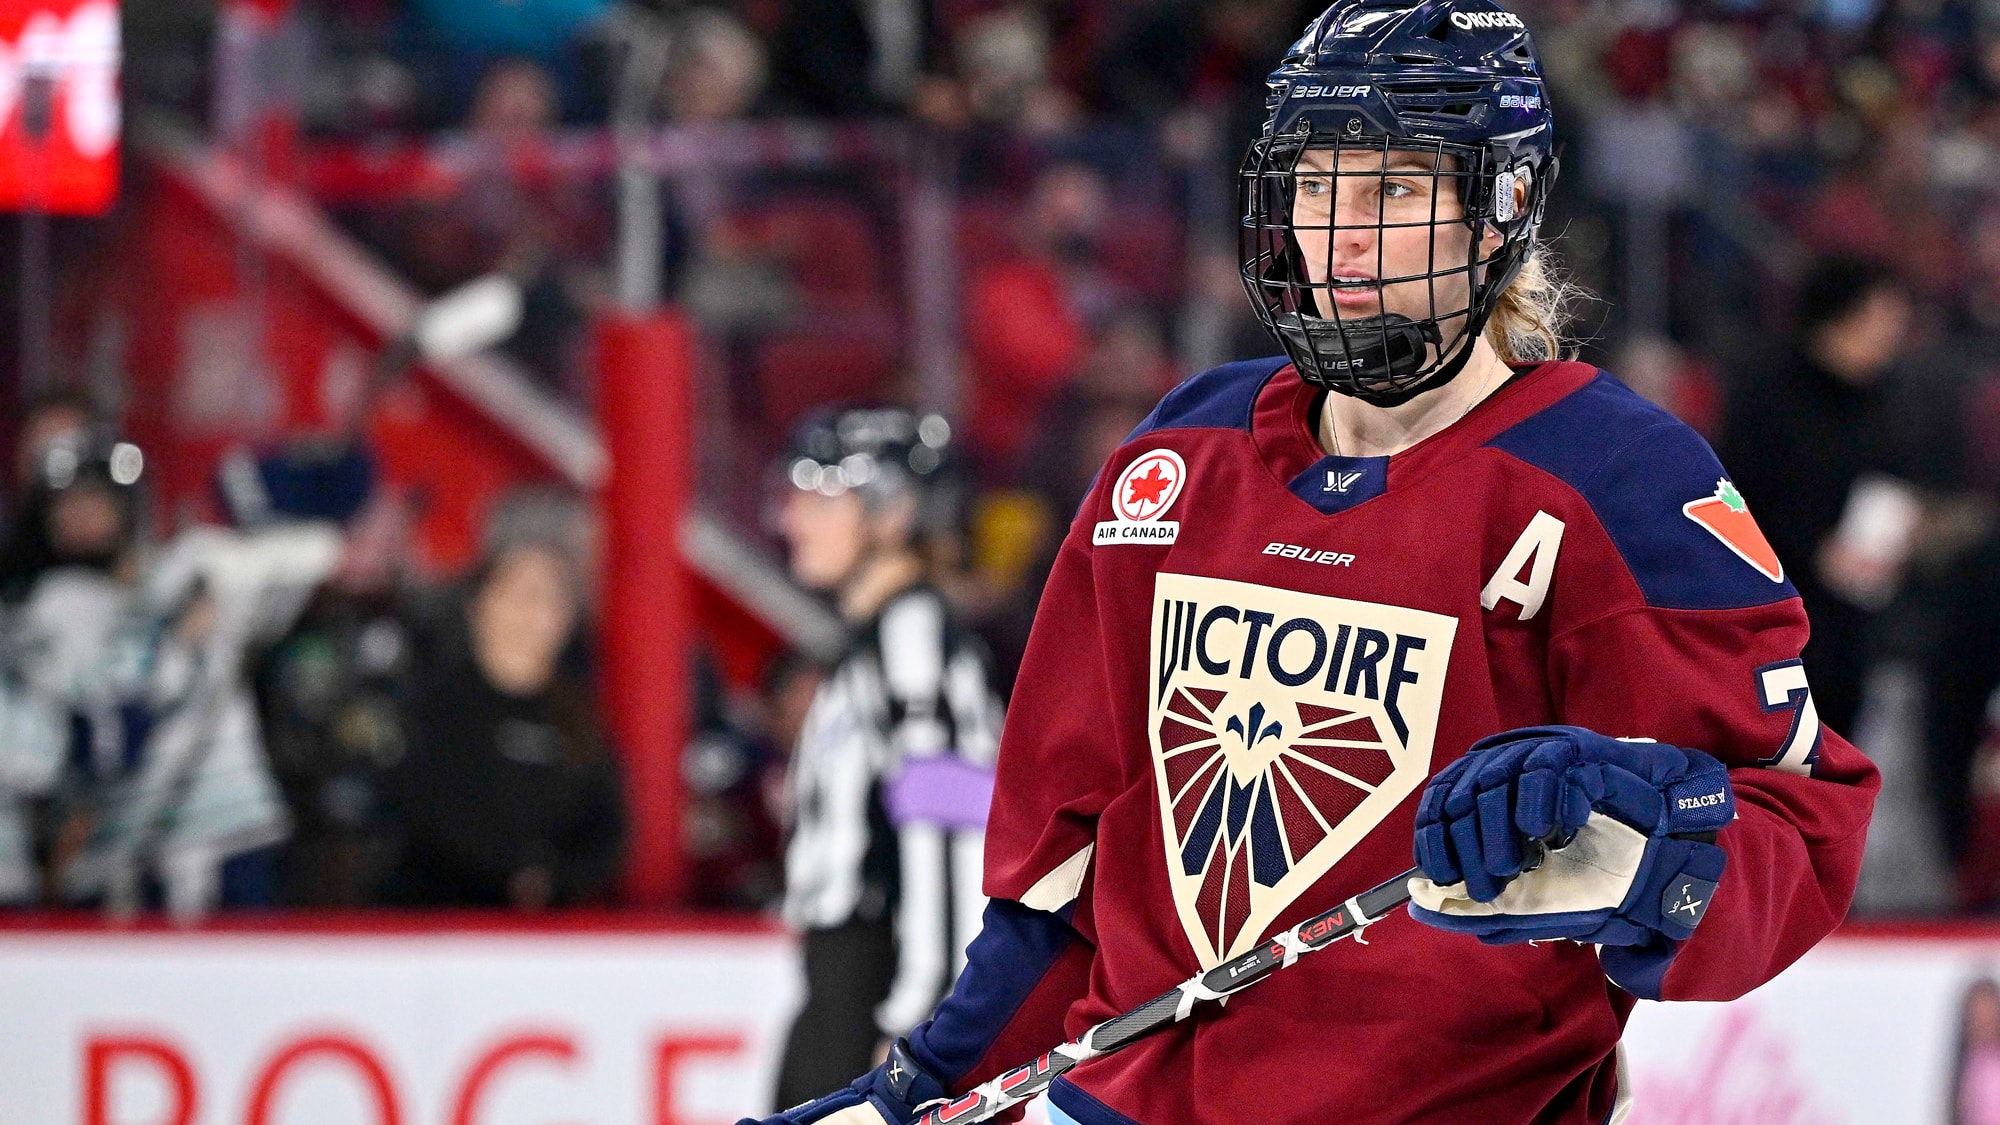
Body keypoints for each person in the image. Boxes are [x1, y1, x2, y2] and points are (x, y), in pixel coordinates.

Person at [741, 2, 1877, 1123]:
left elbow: (1789, 827)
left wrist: (1632, 840)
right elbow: (1067, 876)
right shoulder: (1176, 459)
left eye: (1388, 189)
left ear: (1503, 205)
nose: (1336, 235)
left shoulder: (1616, 481)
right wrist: (915, 1087)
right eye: (1311, 185)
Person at [768, 408, 1006, 1110]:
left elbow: (952, 844)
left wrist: (920, 1020)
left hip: (875, 991)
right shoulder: (881, 639)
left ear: (892, 511)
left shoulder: (914, 637)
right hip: (851, 985)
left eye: (818, 497)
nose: (792, 520)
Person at [385, 518, 625, 910]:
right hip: (439, 922)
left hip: (545, 933)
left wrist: (551, 878)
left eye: (550, 598)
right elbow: (425, 805)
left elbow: (607, 826)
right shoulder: (436, 702)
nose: (535, 612)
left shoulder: (579, 715)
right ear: (480, 604)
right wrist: (509, 870)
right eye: (522, 593)